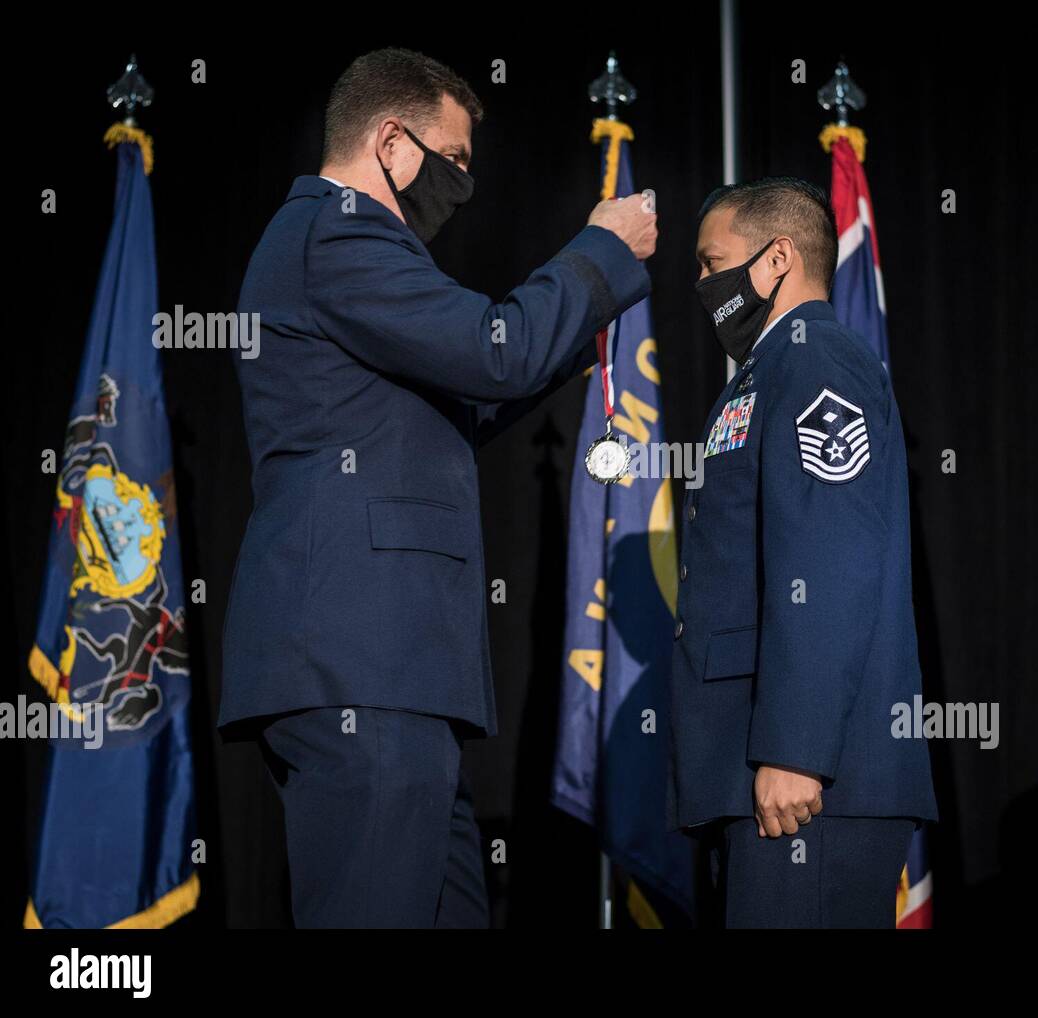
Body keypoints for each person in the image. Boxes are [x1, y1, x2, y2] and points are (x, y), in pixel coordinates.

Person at [218, 47, 656, 927]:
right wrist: (600, 256)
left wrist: (566, 342)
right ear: (389, 139)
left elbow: (467, 388)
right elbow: (494, 347)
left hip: (395, 674)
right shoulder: (336, 232)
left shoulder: (349, 248)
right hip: (358, 663)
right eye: (451, 159)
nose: (462, 185)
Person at [669, 177, 938, 928]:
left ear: (778, 255)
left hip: (810, 780)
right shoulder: (766, 370)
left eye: (711, 261)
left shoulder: (818, 360)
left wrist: (794, 749)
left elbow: (829, 564)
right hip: (759, 771)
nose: (702, 283)